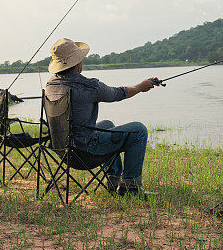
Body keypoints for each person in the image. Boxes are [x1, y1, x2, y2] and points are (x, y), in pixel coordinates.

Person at [45, 37, 156, 197]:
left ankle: (113, 180)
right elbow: (118, 94)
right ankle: (131, 188)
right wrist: (140, 87)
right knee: (139, 130)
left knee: (107, 124)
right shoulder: (88, 86)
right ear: (77, 62)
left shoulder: (51, 84)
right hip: (85, 151)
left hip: (64, 150)